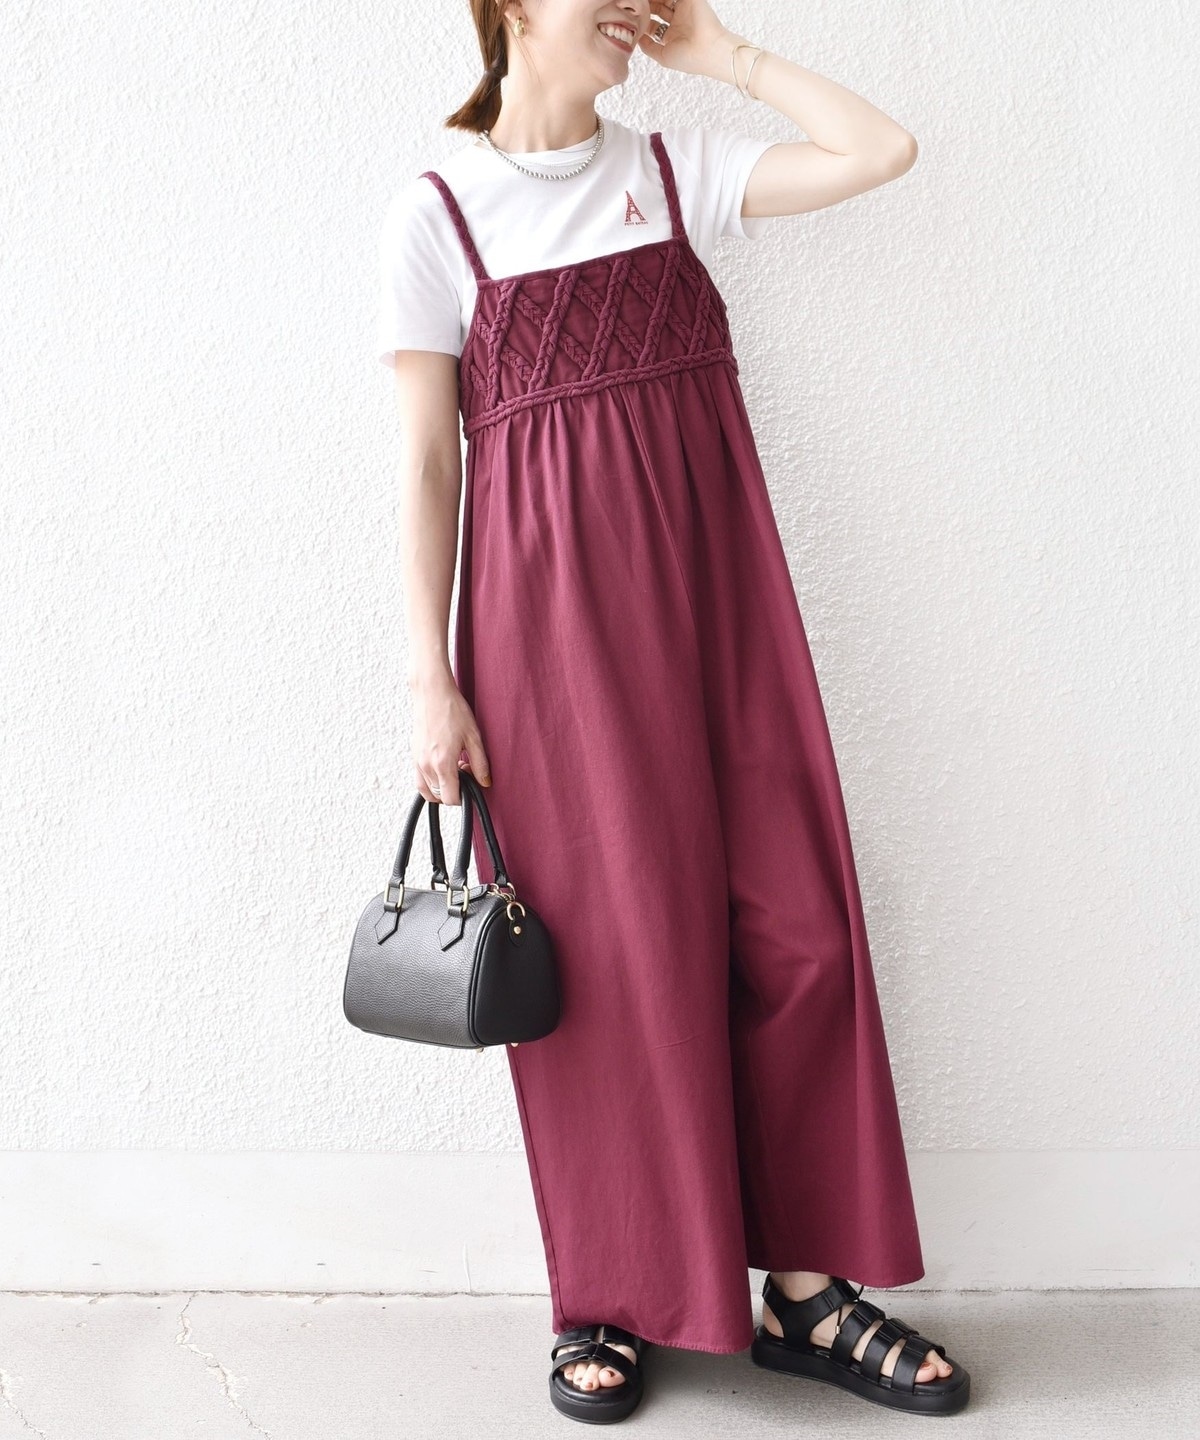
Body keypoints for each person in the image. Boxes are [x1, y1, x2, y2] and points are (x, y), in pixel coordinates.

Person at [377, 0, 971, 1423]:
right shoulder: (437, 214)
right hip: (551, 635)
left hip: (721, 600)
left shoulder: (664, 167)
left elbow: (881, 150)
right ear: (513, 8)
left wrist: (725, 59)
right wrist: (429, 675)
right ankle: (612, 1292)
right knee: (613, 949)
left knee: (798, 921)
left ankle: (806, 1293)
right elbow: (427, 463)